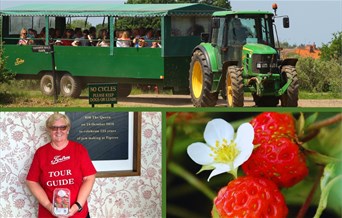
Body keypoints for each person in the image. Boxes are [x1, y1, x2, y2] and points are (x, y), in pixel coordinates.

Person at [26, 113, 97, 218]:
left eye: (62, 127)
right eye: (54, 128)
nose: (58, 131)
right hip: (49, 214)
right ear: (49, 130)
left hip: (77, 214)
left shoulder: (79, 150)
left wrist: (77, 206)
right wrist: (49, 206)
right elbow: (31, 181)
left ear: (67, 129)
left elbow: (89, 178)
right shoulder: (41, 153)